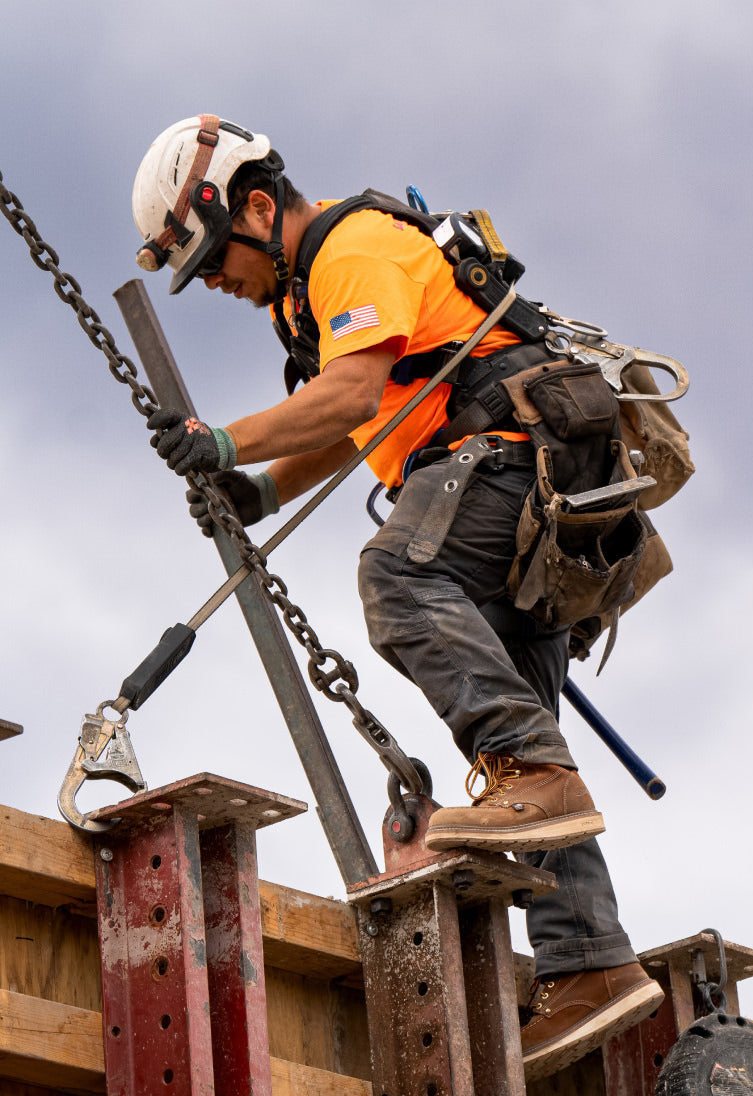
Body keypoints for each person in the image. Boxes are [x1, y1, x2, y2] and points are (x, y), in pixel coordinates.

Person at [132, 114, 665, 1080]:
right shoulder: (307, 304)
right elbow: (356, 420)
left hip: (506, 455)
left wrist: (223, 440)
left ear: (256, 205)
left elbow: (346, 396)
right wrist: (259, 486)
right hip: (528, 487)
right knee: (524, 730)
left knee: (400, 576)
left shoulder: (351, 248)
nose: (212, 283)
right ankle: (590, 959)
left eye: (212, 260)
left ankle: (534, 778)